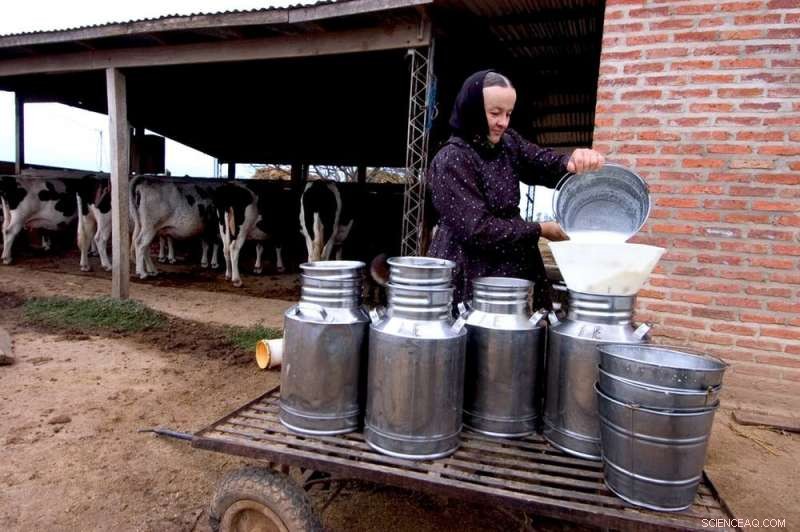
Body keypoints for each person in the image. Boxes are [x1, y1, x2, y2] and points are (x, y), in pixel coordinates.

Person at [426, 70, 605, 309]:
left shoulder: (508, 143)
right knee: (481, 337)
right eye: (494, 113)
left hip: (515, 265)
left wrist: (572, 163)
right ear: (472, 109)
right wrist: (540, 229)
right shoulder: (452, 159)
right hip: (470, 270)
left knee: (524, 336)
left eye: (508, 113)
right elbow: (477, 230)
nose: (504, 122)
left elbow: (544, 162)